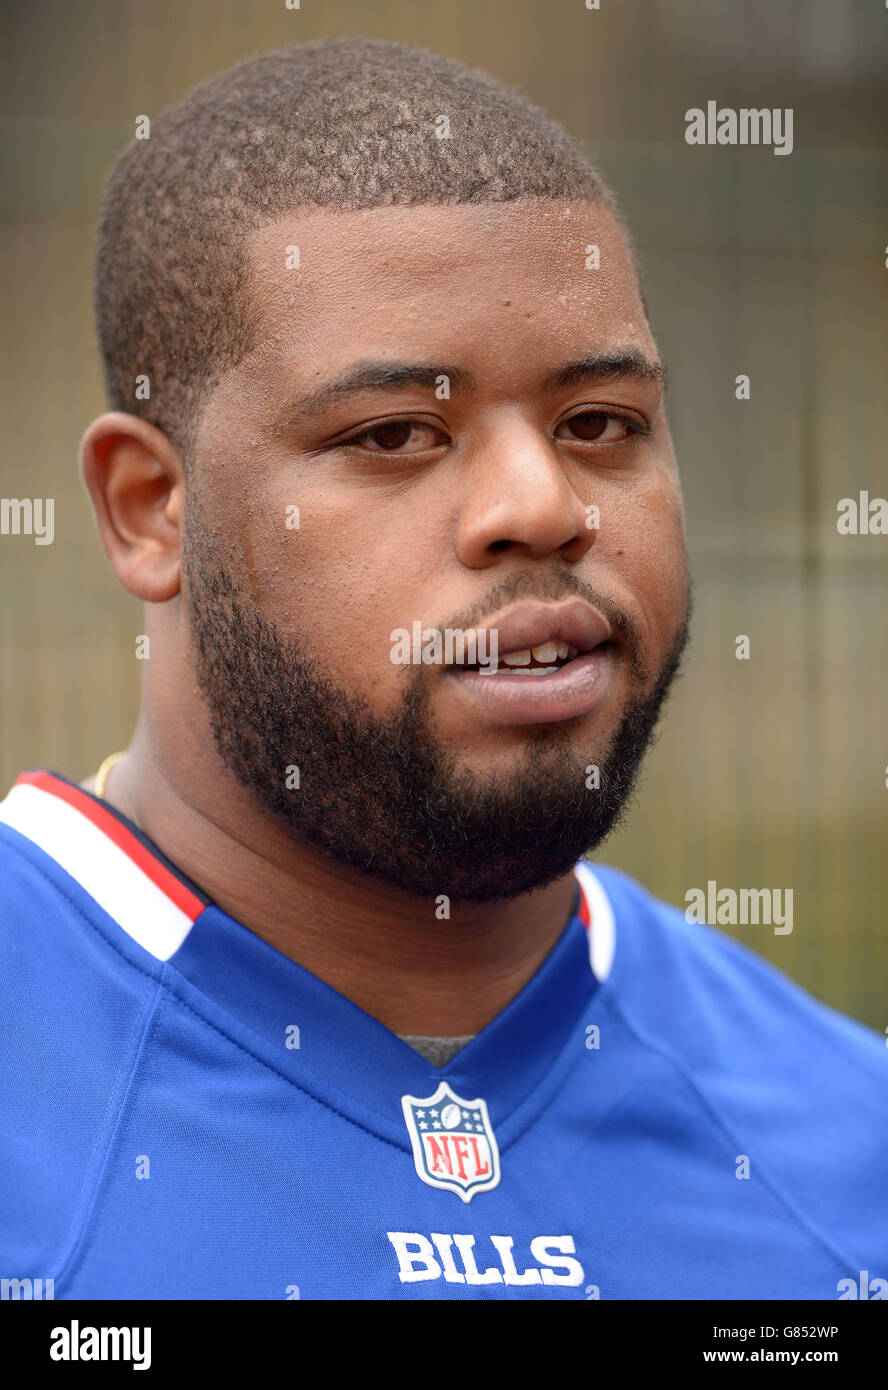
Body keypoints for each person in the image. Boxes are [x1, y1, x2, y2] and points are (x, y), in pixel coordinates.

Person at [1, 37, 884, 1300]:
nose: (541, 504)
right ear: (152, 509)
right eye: (396, 434)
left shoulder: (846, 1150)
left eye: (601, 425)